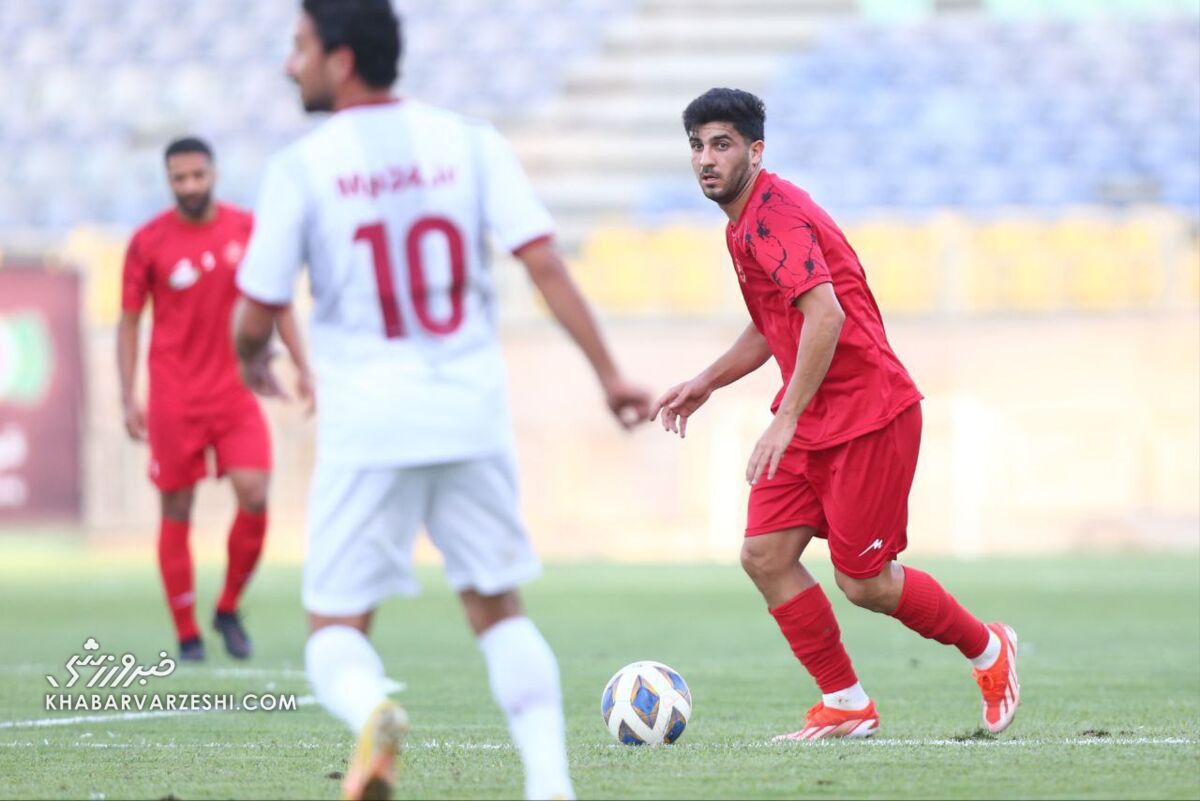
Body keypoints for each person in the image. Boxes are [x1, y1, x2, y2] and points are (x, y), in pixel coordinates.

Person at [232, 2, 650, 799]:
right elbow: (543, 263)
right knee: (498, 610)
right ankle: (550, 784)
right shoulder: (470, 144)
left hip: (367, 423)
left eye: (300, 48)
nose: (292, 65)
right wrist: (608, 374)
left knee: (334, 634)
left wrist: (254, 356)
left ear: (342, 60)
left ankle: (374, 707)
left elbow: (256, 308)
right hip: (468, 412)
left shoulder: (303, 166)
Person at [650, 88, 1020, 741]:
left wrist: (785, 416)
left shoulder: (775, 217)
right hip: (814, 414)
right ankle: (847, 701)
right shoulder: (741, 222)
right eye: (697, 146)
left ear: (756, 151)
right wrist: (706, 381)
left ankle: (989, 649)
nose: (706, 159)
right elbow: (776, 322)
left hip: (867, 412)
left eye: (722, 144)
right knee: (764, 554)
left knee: (865, 582)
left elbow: (827, 314)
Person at [118, 136, 312, 662]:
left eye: (197, 176)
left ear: (214, 173)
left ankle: (227, 606)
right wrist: (127, 394)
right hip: (174, 396)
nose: (189, 187)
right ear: (169, 182)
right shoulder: (148, 242)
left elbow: (278, 301)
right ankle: (186, 634)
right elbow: (130, 320)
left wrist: (301, 363)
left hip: (233, 391)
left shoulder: (246, 230)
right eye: (179, 179)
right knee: (176, 505)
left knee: (254, 491)